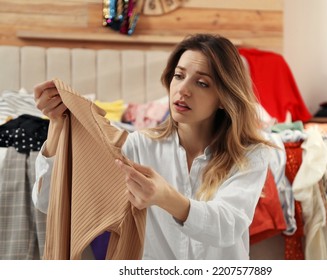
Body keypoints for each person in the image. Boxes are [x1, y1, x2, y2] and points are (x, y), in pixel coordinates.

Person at [32, 33, 275, 260]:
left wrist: (165, 197)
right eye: (179, 76)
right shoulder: (138, 146)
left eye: (201, 83)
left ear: (224, 97)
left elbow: (228, 226)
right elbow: (47, 201)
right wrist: (57, 125)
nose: (183, 90)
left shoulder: (251, 154)